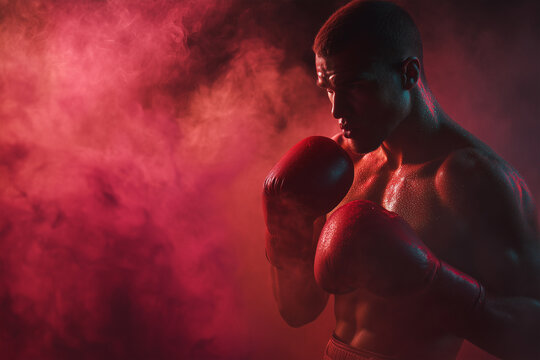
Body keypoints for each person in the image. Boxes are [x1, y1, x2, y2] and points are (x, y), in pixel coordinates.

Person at [262, 1, 540, 359]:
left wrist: (433, 283)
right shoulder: (337, 162)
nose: (336, 109)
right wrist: (285, 235)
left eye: (355, 86)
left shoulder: (473, 180)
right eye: (328, 88)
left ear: (409, 74)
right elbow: (297, 311)